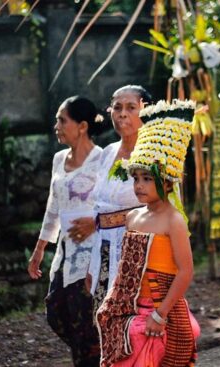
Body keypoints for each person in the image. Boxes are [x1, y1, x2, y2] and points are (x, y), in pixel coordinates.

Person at [96, 99, 200, 367]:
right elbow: (126, 271)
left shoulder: (174, 220)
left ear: (166, 182)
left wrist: (160, 314)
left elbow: (185, 271)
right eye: (136, 178)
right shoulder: (134, 217)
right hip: (132, 310)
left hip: (161, 311)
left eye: (147, 179)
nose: (139, 186)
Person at [27, 96, 103, 366]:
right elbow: (53, 205)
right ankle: (99, 353)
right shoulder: (59, 159)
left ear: (82, 126)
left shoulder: (102, 159)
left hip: (92, 250)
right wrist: (40, 249)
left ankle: (95, 357)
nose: (56, 125)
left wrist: (94, 221)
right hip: (65, 250)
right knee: (56, 312)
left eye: (62, 120)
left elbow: (113, 203)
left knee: (82, 316)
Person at [67, 85, 152, 314]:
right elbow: (99, 207)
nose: (122, 114)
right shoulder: (107, 153)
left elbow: (165, 208)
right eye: (117, 107)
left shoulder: (154, 155)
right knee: (103, 320)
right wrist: (93, 262)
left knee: (133, 324)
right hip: (104, 249)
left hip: (140, 252)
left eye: (131, 107)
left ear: (145, 111)